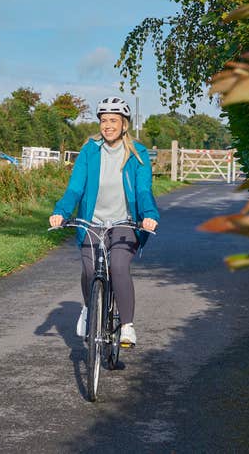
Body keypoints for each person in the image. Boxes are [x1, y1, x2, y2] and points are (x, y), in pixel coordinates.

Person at [49, 97, 159, 346]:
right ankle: (90, 308)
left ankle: (127, 325)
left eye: (113, 121)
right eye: (103, 120)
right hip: (92, 223)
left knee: (119, 266)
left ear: (124, 125)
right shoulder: (90, 150)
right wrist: (62, 211)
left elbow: (143, 191)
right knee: (89, 270)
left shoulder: (137, 154)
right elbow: (75, 188)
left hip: (124, 223)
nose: (108, 125)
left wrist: (150, 215)